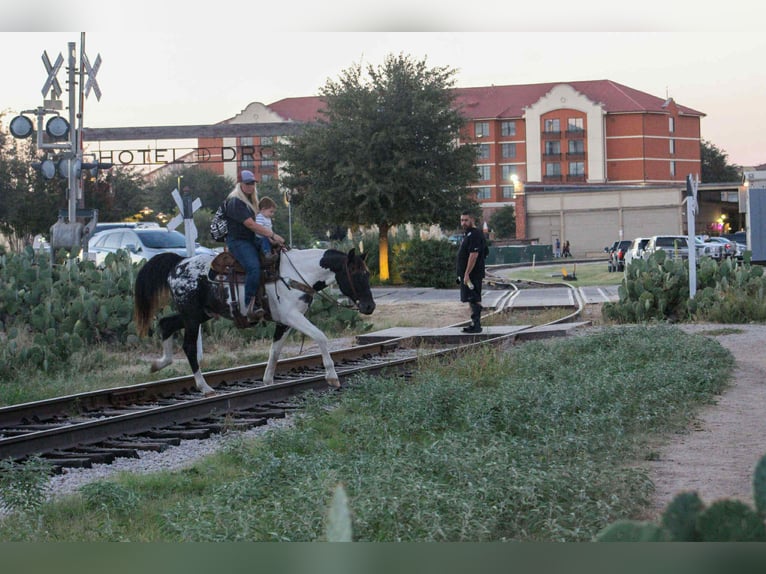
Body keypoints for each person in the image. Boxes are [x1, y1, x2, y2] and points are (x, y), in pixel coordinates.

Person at [224, 170, 285, 322]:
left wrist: (273, 241)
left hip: (251, 240)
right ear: (240, 184)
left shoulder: (251, 202)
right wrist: (271, 235)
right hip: (238, 241)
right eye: (247, 183)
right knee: (253, 267)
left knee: (278, 256)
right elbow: (250, 225)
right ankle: (250, 304)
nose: (251, 186)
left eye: (252, 183)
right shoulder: (235, 202)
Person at [455, 210, 487, 333]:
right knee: (470, 297)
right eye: (462, 220)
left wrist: (467, 273)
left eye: (466, 220)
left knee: (474, 297)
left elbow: (473, 255)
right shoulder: (467, 234)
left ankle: (476, 324)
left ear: (472, 220)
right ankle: (474, 323)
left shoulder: (475, 234)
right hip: (467, 274)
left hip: (473, 273)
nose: (463, 222)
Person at [255, 196, 279, 261]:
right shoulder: (260, 217)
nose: (272, 214)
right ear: (263, 209)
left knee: (273, 242)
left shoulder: (268, 219)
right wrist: (270, 238)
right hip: (258, 238)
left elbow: (270, 230)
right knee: (264, 239)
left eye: (273, 212)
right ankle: (267, 253)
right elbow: (259, 230)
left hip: (266, 236)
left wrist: (273, 238)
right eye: (271, 212)